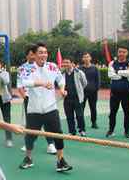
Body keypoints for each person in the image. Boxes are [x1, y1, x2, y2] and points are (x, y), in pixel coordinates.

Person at [19, 42, 73, 172]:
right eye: (40, 52)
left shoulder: (53, 66)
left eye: (45, 52)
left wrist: (62, 89)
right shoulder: (26, 68)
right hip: (34, 109)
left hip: (50, 108)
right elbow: (24, 82)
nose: (43, 55)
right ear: (34, 55)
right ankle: (28, 158)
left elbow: (61, 79)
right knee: (30, 136)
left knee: (58, 134)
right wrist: (42, 83)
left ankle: (60, 161)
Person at [17, 45, 56, 154]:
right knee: (31, 124)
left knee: (48, 122)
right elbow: (20, 84)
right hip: (30, 99)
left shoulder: (46, 67)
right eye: (31, 54)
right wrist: (24, 96)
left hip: (44, 99)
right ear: (28, 55)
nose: (33, 56)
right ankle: (29, 144)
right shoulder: (22, 68)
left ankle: (51, 144)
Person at [107, 46, 129, 138]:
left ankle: (126, 131)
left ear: (127, 53)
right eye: (120, 52)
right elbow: (110, 75)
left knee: (127, 112)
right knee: (112, 112)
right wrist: (123, 73)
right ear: (117, 53)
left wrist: (117, 71)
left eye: (123, 52)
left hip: (126, 92)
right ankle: (111, 130)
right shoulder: (112, 63)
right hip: (114, 93)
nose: (121, 54)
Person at [62, 58, 87, 136]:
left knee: (79, 115)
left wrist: (79, 91)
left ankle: (82, 130)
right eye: (64, 62)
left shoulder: (79, 72)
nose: (65, 64)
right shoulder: (62, 73)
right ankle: (72, 131)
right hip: (67, 99)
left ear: (72, 63)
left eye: (67, 62)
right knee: (69, 116)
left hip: (77, 98)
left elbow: (84, 83)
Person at [79, 52, 100, 129]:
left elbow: (98, 80)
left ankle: (94, 123)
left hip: (93, 93)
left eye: (87, 57)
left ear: (90, 58)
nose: (86, 58)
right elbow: (78, 80)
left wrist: (96, 89)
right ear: (82, 59)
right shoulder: (80, 69)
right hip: (82, 92)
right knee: (81, 108)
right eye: (84, 57)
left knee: (93, 108)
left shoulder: (95, 68)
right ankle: (81, 123)